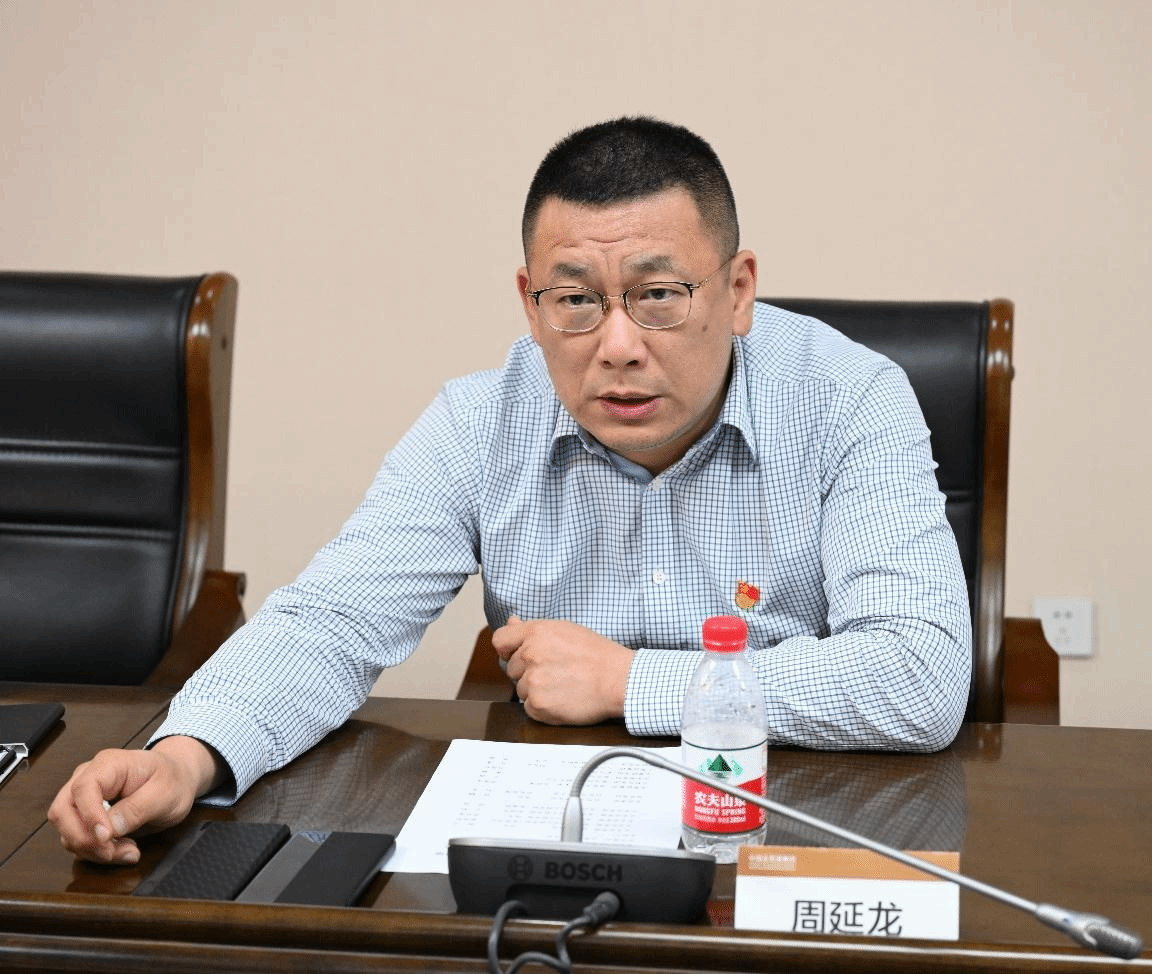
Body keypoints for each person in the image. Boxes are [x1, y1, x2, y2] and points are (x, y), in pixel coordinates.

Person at [49, 116, 971, 865]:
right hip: (555, 842)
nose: (617, 345)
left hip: (797, 830)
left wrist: (629, 682)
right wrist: (187, 753)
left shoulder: (850, 399)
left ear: (737, 291)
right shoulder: (480, 421)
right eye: (575, 301)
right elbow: (331, 622)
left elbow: (919, 674)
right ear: (530, 301)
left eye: (658, 295)